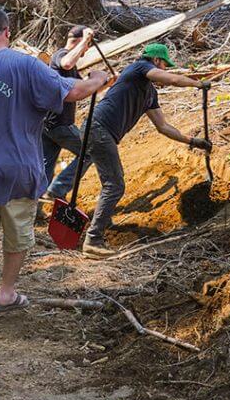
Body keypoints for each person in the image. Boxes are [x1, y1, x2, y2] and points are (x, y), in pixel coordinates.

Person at [0, 9, 109, 330]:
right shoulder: (24, 64)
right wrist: (97, 80)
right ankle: (6, 292)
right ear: (7, 32)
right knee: (18, 235)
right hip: (16, 169)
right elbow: (70, 92)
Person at [47, 43, 213, 258]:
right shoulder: (138, 68)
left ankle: (98, 227)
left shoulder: (149, 93)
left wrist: (193, 141)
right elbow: (170, 79)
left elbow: (163, 127)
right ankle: (93, 240)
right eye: (164, 65)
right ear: (155, 60)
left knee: (112, 183)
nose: (165, 69)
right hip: (98, 128)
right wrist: (197, 84)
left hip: (101, 131)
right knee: (115, 185)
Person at [42, 26, 95, 184]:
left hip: (48, 125)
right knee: (90, 151)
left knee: (46, 165)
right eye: (87, 45)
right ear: (79, 41)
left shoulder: (72, 66)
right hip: (59, 124)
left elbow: (83, 87)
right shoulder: (61, 55)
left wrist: (105, 83)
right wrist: (86, 39)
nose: (87, 48)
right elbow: (65, 63)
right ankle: (58, 189)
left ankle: (36, 205)